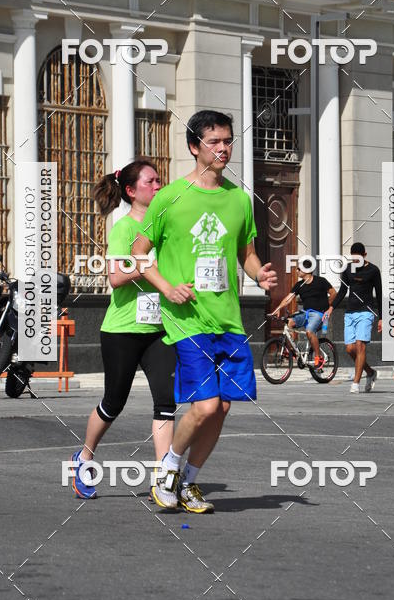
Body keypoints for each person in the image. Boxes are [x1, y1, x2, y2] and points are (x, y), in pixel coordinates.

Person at [132, 109, 277, 513]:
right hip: (187, 316)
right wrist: (167, 287)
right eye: (214, 142)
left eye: (228, 140)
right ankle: (168, 472)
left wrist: (258, 274)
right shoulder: (170, 196)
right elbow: (138, 253)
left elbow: (245, 253)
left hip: (227, 316)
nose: (223, 148)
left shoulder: (238, 199)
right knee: (206, 405)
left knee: (225, 406)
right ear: (195, 147)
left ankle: (189, 484)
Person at [69, 160, 176, 499]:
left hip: (160, 329)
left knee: (166, 402)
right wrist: (149, 267)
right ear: (132, 191)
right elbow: (115, 277)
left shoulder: (165, 226)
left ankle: (164, 478)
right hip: (122, 330)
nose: (158, 185)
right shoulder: (125, 229)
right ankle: (84, 458)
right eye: (151, 181)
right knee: (114, 403)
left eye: (160, 180)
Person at [325, 241, 382, 394]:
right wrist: (331, 308)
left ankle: (355, 383)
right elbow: (343, 291)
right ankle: (370, 372)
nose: (356, 260)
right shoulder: (348, 270)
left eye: (359, 258)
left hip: (366, 311)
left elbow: (380, 294)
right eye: (354, 258)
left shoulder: (373, 270)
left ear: (365, 255)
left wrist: (381, 317)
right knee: (350, 349)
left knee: (360, 346)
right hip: (350, 312)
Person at [271, 264, 336, 365]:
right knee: (289, 323)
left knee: (309, 331)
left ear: (307, 270)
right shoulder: (299, 285)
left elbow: (333, 293)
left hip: (318, 313)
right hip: (305, 313)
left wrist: (328, 308)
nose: (296, 271)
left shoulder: (321, 281)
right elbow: (288, 299)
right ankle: (295, 352)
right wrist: (278, 308)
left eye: (299, 269)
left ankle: (319, 357)